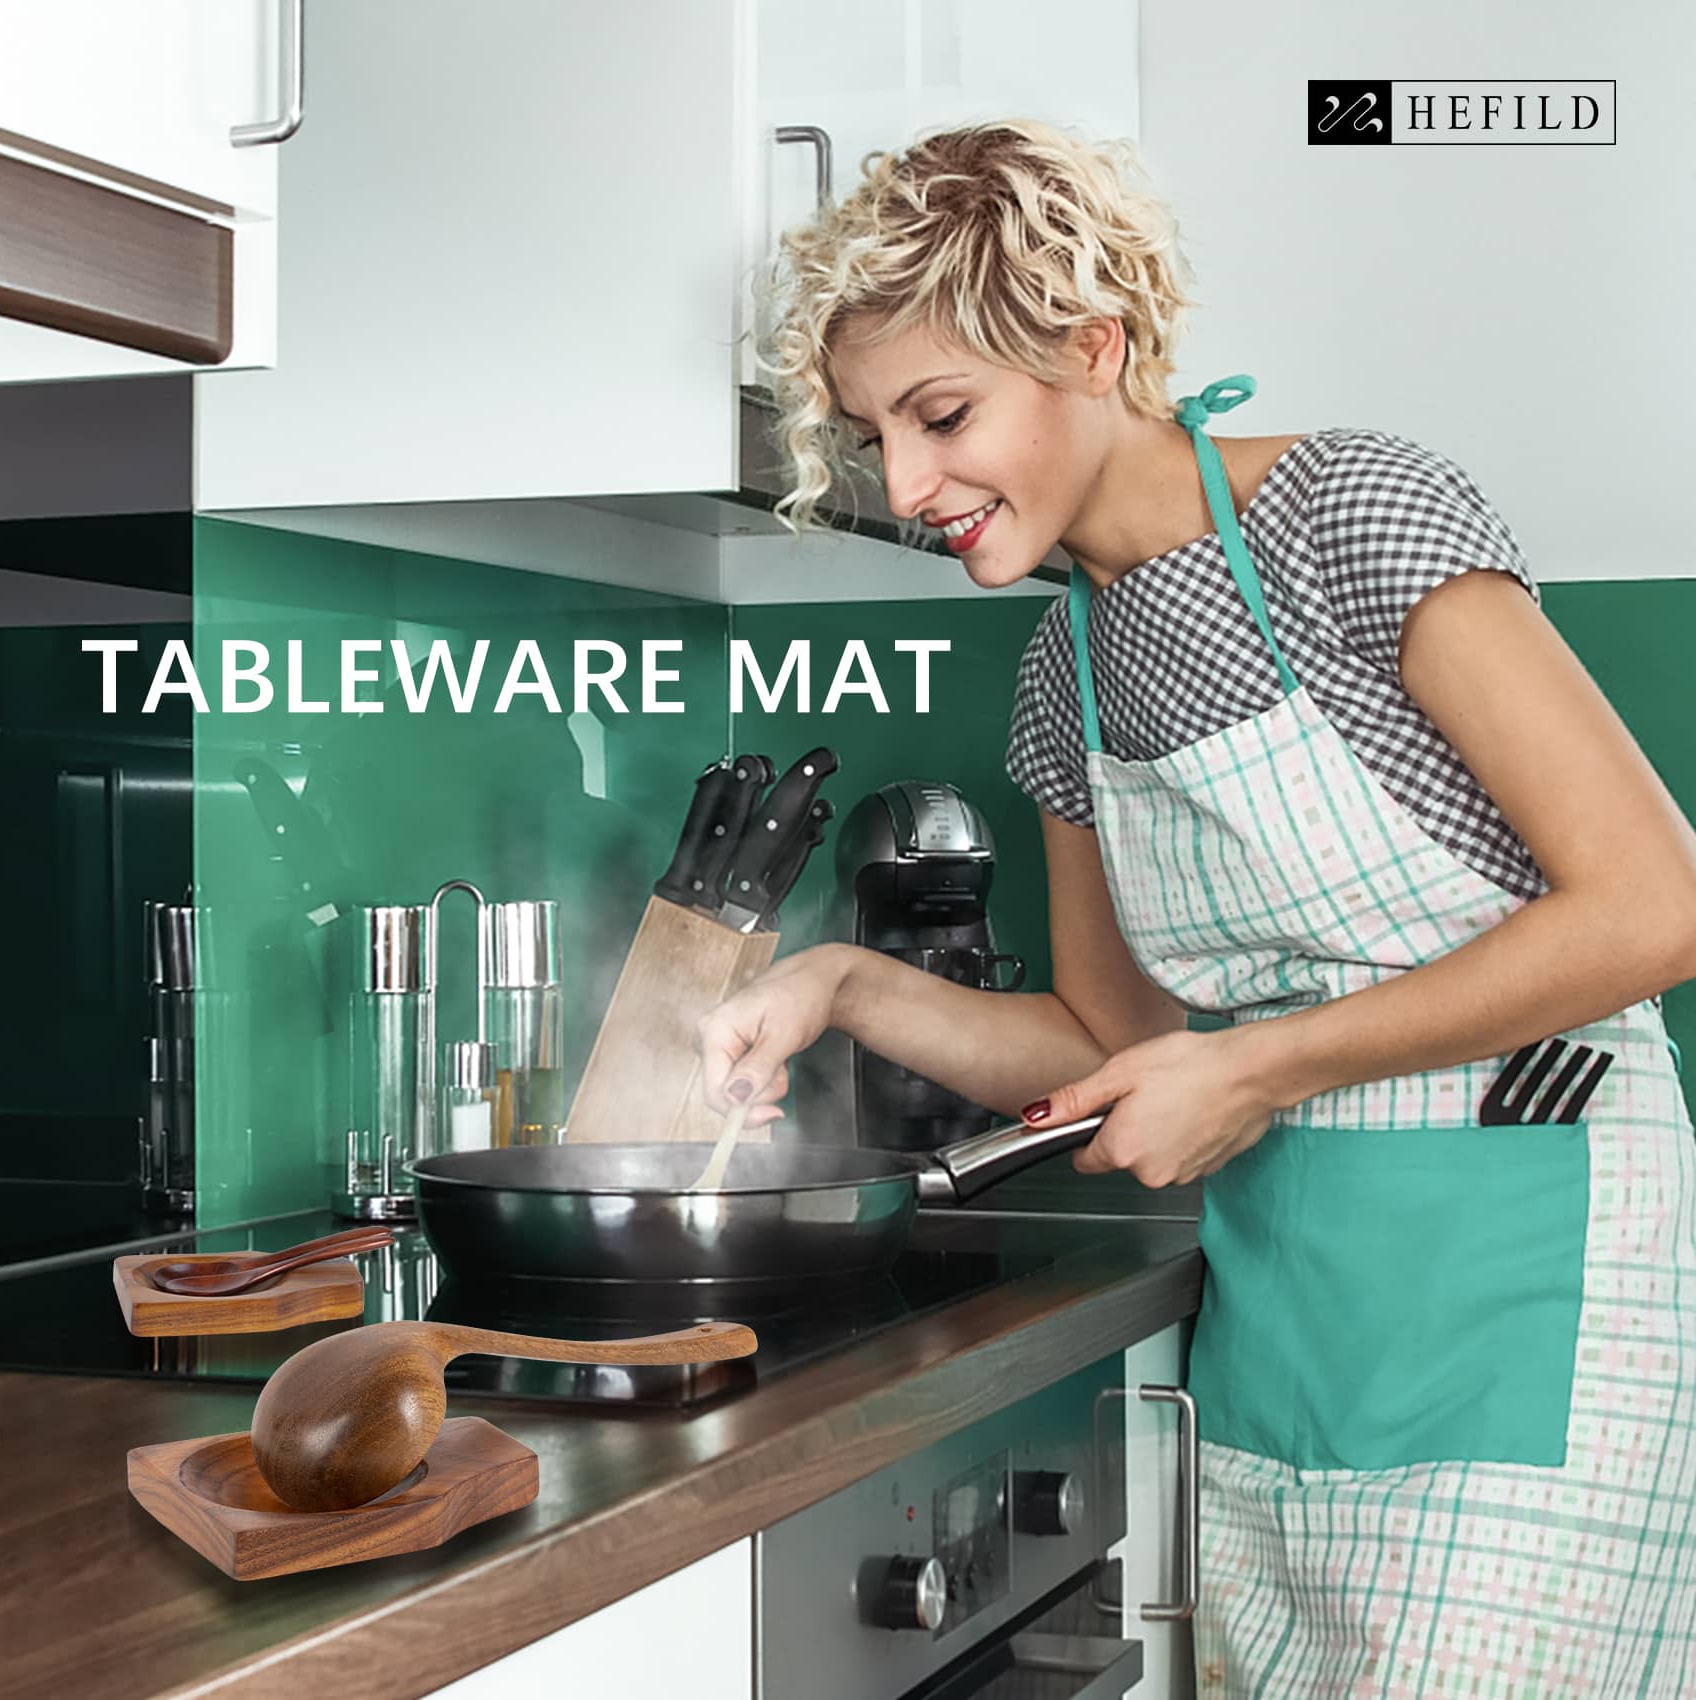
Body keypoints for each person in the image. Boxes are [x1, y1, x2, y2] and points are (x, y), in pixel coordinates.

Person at [697, 118, 1696, 1696]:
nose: (904, 481)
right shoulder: (1064, 672)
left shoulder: (1350, 519)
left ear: (1093, 347)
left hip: (1540, 1278)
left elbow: (1655, 905)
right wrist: (836, 985)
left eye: (943, 413)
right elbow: (1108, 1035)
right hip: (1300, 1300)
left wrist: (1259, 1067)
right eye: (870, 431)